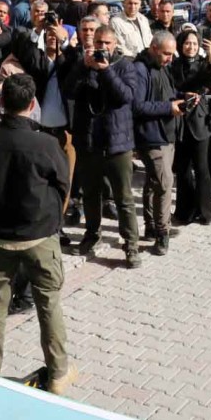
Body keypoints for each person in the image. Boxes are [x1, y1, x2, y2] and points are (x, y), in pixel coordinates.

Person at [0, 75, 78, 396]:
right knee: (48, 304)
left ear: (2, 103)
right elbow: (63, 184)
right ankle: (57, 374)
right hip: (39, 237)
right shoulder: (45, 144)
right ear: (32, 106)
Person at [63, 25, 143, 267]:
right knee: (91, 195)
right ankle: (91, 235)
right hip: (88, 143)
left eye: (107, 43)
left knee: (124, 198)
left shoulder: (125, 65)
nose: (102, 47)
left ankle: (131, 245)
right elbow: (68, 91)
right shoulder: (82, 63)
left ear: (115, 44)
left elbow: (125, 97)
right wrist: (83, 67)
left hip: (117, 144)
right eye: (98, 41)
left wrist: (106, 71)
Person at [131, 33, 184, 254]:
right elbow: (138, 106)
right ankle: (163, 232)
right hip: (151, 136)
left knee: (155, 181)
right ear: (153, 48)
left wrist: (183, 97)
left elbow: (167, 94)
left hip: (167, 134)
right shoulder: (140, 69)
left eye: (172, 54)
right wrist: (168, 108)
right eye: (166, 54)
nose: (170, 59)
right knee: (164, 183)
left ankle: (152, 225)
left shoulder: (162, 66)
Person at [169, 29, 211, 224]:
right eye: (188, 43)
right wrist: (182, 94)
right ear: (181, 45)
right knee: (183, 170)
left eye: (195, 44)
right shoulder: (173, 65)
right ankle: (184, 212)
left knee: (202, 169)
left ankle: (206, 211)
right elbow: (173, 87)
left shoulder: (203, 65)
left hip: (199, 122)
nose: (191, 47)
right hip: (180, 122)